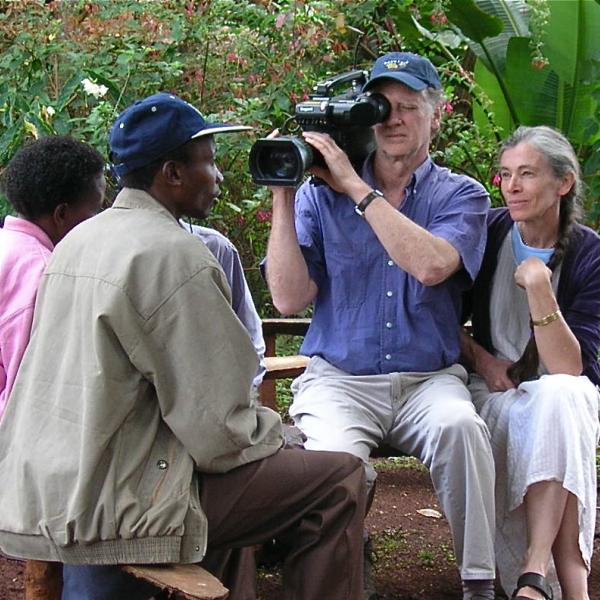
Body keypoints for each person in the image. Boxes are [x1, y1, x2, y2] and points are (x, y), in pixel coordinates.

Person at [0, 92, 367, 600]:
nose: (217, 177)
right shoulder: (175, 255)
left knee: (239, 486)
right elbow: (220, 428)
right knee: (340, 479)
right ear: (172, 174)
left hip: (52, 488)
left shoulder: (79, 241)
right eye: (208, 163)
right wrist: (280, 435)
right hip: (120, 504)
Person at [265, 52, 496, 599]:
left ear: (436, 115)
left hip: (428, 379)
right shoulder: (320, 197)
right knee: (331, 465)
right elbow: (289, 297)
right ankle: (343, 577)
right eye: (381, 106)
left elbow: (433, 265)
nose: (391, 119)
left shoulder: (461, 194)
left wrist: (355, 188)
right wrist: (283, 192)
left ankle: (480, 583)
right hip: (340, 379)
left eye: (408, 107)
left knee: (462, 429)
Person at [461, 125, 600, 600]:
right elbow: (437, 318)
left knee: (563, 397)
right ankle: (569, 582)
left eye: (526, 174)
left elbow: (570, 367)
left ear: (563, 183)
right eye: (505, 175)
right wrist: (482, 360)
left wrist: (541, 287)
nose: (511, 187)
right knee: (564, 410)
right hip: (496, 393)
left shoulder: (589, 253)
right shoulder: (487, 231)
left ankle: (533, 569)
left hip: (561, 395)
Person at [0, 135, 105, 420]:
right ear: (61, 214)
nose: (100, 221)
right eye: (95, 210)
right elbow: (21, 389)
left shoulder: (6, 245)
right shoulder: (41, 274)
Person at [184, 223, 266, 386]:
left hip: (215, 393)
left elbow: (250, 336)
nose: (214, 195)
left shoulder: (216, 247)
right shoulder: (125, 246)